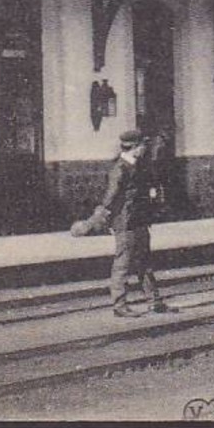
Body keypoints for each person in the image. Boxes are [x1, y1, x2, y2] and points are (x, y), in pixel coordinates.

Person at [75, 130, 170, 317]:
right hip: (125, 223)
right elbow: (110, 198)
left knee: (145, 262)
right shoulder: (120, 169)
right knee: (123, 265)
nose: (145, 149)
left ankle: (154, 301)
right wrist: (94, 220)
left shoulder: (138, 165)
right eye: (143, 145)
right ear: (134, 148)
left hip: (140, 220)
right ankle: (119, 305)